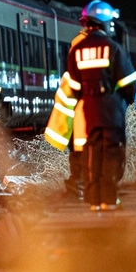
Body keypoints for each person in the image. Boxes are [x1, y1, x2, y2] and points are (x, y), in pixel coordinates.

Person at [66, 0, 136, 211]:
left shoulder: (76, 50)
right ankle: (109, 199)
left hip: (88, 109)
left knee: (92, 152)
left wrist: (86, 98)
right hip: (112, 110)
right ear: (105, 22)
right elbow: (128, 83)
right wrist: (127, 100)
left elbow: (73, 85)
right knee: (112, 152)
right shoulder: (112, 47)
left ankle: (94, 200)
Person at [44, 26, 88, 198]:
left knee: (79, 154)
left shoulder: (70, 77)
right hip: (104, 118)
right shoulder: (111, 51)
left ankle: (80, 185)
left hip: (78, 124)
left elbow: (64, 101)